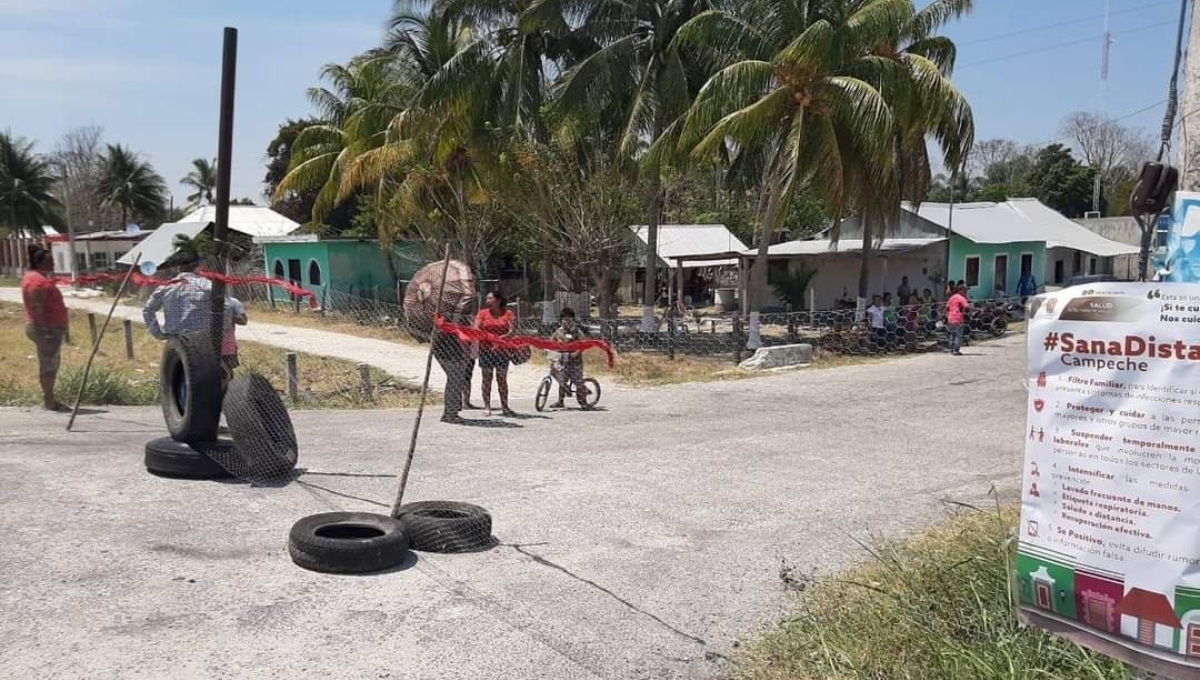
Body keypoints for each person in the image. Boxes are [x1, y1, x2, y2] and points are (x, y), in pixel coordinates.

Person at [21, 247, 69, 411]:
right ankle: (49, 400)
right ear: (40, 262)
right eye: (50, 261)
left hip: (49, 327)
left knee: (50, 363)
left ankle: (50, 398)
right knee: (49, 364)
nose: (53, 263)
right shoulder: (37, 281)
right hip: (46, 329)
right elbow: (37, 307)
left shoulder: (37, 278)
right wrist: (47, 331)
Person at [142, 250, 213, 340]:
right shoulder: (207, 285)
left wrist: (158, 334)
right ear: (197, 265)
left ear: (177, 267)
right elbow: (225, 308)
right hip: (201, 340)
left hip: (174, 341)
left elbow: (148, 310)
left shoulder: (165, 287)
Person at [474, 290, 516, 417]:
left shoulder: (508, 313)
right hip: (486, 350)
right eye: (486, 299)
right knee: (487, 379)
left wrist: (500, 339)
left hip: (502, 351)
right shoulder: (482, 313)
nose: (487, 301)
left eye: (490, 299)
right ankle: (487, 406)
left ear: (498, 300)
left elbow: (512, 331)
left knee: (502, 379)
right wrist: (490, 338)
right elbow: (476, 329)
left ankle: (505, 407)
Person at [550, 307, 591, 409]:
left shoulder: (577, 332)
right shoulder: (558, 331)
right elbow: (551, 341)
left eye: (569, 320)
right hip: (563, 360)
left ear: (573, 320)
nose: (567, 322)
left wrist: (576, 353)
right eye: (565, 320)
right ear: (561, 320)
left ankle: (584, 402)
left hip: (575, 362)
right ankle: (560, 401)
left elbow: (583, 344)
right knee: (561, 379)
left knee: (577, 381)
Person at [220, 295, 247, 387]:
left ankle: (230, 392)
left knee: (228, 371)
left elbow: (244, 321)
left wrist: (228, 317)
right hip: (208, 344)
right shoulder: (204, 301)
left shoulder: (233, 302)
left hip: (227, 345)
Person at [947, 284, 970, 356]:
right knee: (958, 335)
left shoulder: (952, 297)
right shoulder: (961, 298)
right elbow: (966, 306)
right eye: (965, 291)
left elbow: (947, 306)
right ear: (960, 290)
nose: (966, 292)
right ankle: (955, 350)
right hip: (958, 318)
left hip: (950, 318)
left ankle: (951, 348)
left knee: (952, 334)